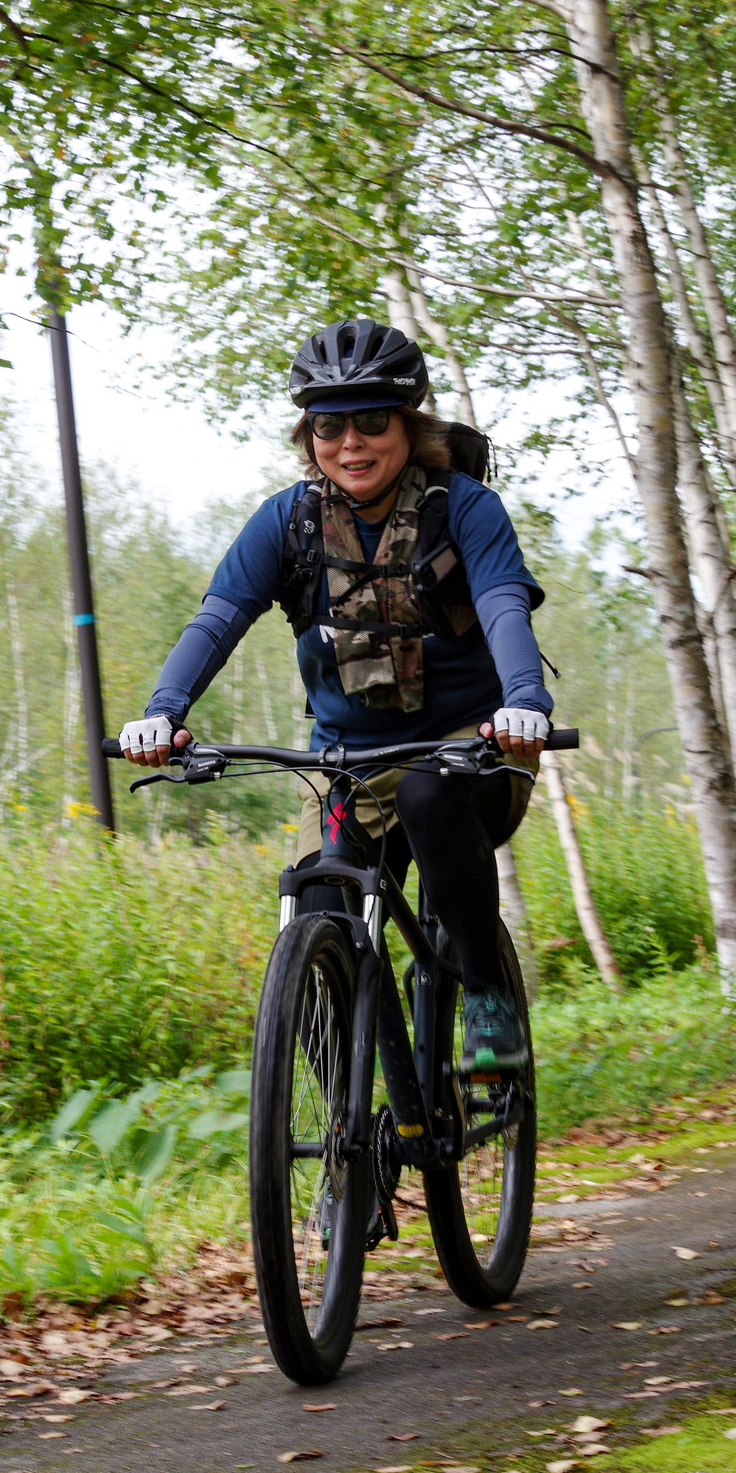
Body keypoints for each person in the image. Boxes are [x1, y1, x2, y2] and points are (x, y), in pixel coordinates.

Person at [118, 317, 552, 1073]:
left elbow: (504, 604)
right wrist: (163, 711)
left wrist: (525, 701)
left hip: (476, 754)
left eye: (372, 421)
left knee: (426, 793)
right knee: (320, 908)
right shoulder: (288, 520)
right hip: (353, 760)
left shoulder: (463, 509)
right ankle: (347, 1158)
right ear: (308, 432)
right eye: (328, 425)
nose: (350, 443)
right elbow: (220, 616)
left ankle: (487, 993)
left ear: (408, 424)